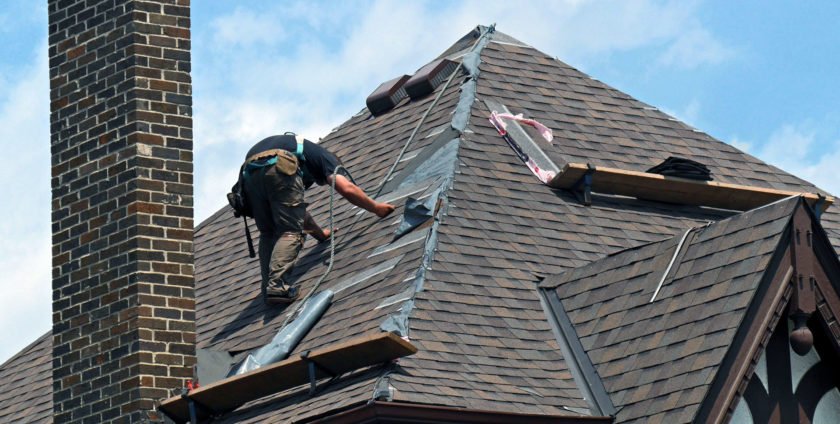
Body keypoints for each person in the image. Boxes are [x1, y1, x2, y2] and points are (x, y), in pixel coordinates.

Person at [241, 133, 395, 304]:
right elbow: (347, 188)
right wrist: (377, 208)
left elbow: (297, 213)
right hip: (278, 164)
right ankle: (277, 287)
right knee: (291, 231)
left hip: (249, 173)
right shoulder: (327, 158)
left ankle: (268, 289)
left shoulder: (299, 153)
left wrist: (320, 235)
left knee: (268, 233)